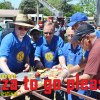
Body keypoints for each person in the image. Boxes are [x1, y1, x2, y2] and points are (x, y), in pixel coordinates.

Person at [64, 23, 100, 99]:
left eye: (79, 41)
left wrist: (65, 80)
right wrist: (67, 72)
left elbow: (87, 77)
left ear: (87, 38)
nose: (79, 44)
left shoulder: (96, 49)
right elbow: (85, 63)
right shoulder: (96, 44)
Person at [34, 21, 66, 99]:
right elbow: (37, 56)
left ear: (54, 31)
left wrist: (63, 65)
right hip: (44, 73)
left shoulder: (59, 40)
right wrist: (38, 63)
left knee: (59, 94)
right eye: (45, 33)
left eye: (50, 33)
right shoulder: (40, 41)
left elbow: (61, 56)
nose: (48, 35)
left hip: (57, 72)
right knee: (46, 95)